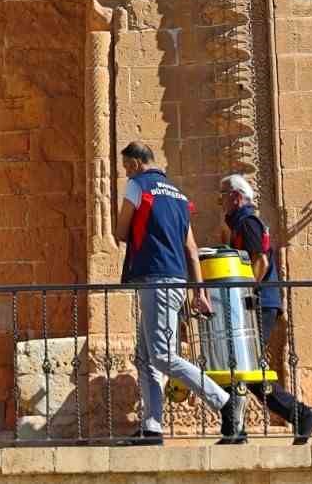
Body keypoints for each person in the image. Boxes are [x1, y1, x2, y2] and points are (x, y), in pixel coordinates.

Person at [115, 141, 244, 445]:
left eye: (125, 168)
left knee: (161, 355)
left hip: (155, 277)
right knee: (145, 356)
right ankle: (152, 426)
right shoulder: (177, 195)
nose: (126, 173)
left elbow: (121, 232)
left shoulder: (137, 186)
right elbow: (191, 246)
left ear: (134, 164)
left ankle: (224, 401)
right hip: (177, 279)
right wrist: (198, 291)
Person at [219, 173, 312, 443]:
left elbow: (261, 262)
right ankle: (236, 429)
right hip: (257, 302)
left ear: (236, 196)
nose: (220, 201)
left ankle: (299, 414)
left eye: (223, 195)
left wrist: (245, 294)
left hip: (259, 302)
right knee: (239, 365)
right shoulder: (239, 223)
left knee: (246, 367)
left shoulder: (248, 222)